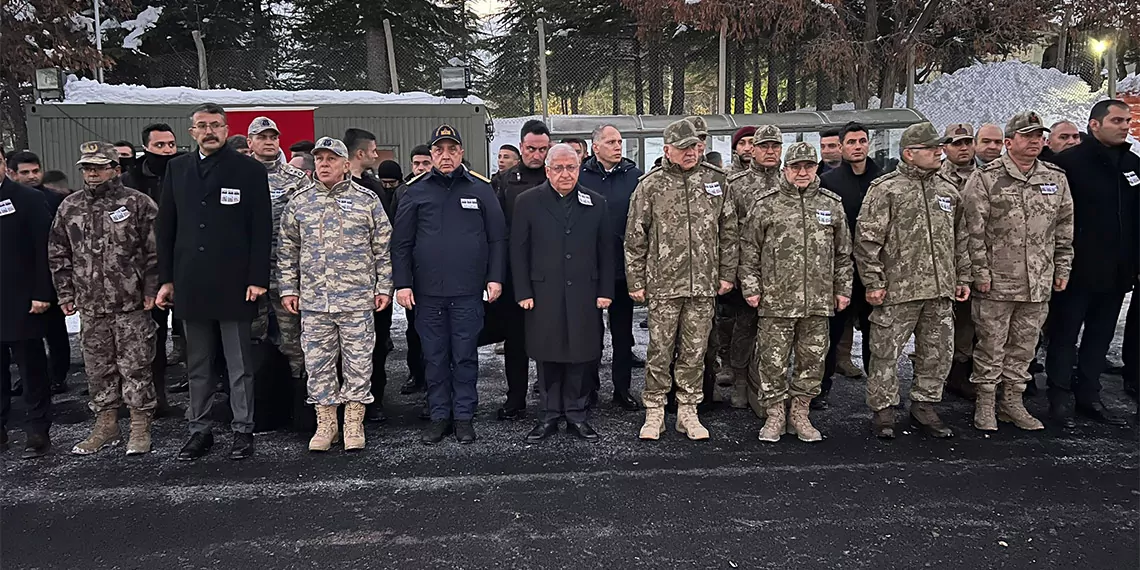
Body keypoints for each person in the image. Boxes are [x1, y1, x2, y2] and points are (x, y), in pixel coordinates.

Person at [156, 103, 272, 461]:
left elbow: (261, 228)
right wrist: (167, 280)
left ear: (226, 128)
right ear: (192, 132)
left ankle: (242, 431)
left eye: (216, 125)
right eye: (202, 126)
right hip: (191, 282)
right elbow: (166, 228)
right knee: (198, 365)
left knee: (239, 365)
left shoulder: (249, 170)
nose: (209, 131)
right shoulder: (177, 169)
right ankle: (199, 430)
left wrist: (257, 278)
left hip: (235, 283)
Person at [855, 123, 971, 439]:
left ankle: (925, 406)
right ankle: (884, 411)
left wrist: (963, 276)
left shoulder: (948, 190)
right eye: (931, 148)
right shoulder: (886, 190)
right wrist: (874, 282)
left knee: (937, 353)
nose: (938, 152)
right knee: (885, 353)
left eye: (939, 147)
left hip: (939, 290)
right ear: (909, 153)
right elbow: (867, 241)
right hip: (897, 290)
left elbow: (960, 237)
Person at [392, 125, 506, 444]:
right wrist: (403, 284)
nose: (445, 155)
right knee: (434, 355)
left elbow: (498, 238)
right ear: (431, 155)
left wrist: (495, 277)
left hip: (468, 291)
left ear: (461, 153)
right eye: (439, 150)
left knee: (466, 355)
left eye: (451, 149)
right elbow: (401, 243)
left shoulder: (481, 189)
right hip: (427, 293)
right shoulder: (415, 191)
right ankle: (440, 415)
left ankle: (465, 416)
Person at [626, 118, 737, 441]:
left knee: (694, 351)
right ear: (667, 150)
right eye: (684, 147)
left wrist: (726, 273)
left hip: (703, 284)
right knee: (660, 351)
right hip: (664, 284)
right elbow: (635, 237)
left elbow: (729, 232)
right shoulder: (650, 185)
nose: (692, 152)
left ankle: (688, 410)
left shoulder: (716, 182)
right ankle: (655, 411)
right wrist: (636, 280)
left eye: (695, 146)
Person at [962, 111, 1073, 432]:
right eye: (1027, 136)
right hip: (996, 283)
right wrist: (979, 273)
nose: (1035, 141)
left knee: (1024, 346)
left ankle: (1012, 402)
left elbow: (1064, 229)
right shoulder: (985, 179)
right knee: (990, 346)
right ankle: (985, 404)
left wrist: (1062, 267)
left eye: (1039, 136)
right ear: (1009, 143)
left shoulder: (1055, 178)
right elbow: (972, 232)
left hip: (1038, 282)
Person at [279, 137, 392, 451]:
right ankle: (326, 423)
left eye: (331, 159)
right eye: (319, 159)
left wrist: (384, 287)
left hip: (357, 300)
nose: (324, 164)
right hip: (315, 302)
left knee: (358, 363)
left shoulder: (367, 200)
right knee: (318, 364)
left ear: (346, 165)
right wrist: (289, 288)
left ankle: (353, 422)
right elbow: (287, 251)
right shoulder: (299, 202)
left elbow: (382, 249)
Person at [48, 141, 160, 455]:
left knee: (136, 365)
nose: (92, 173)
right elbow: (59, 252)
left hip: (131, 303)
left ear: (115, 168)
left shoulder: (139, 203)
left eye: (99, 166)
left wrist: (151, 289)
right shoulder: (70, 206)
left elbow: (155, 252)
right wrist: (65, 292)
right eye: (87, 167)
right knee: (98, 368)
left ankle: (140, 426)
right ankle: (106, 425)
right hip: (90, 304)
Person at [740, 142, 851, 442]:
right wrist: (751, 287)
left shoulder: (831, 204)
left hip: (817, 301)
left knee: (812, 360)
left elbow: (843, 254)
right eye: (796, 167)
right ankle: (775, 413)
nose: (802, 172)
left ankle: (800, 412)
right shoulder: (766, 204)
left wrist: (843, 290)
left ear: (817, 167)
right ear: (785, 169)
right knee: (772, 361)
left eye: (809, 166)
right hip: (776, 301)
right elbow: (748, 250)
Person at [1045, 100, 1137, 427]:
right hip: (1076, 272)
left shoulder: (1132, 164)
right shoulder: (1068, 164)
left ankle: (1089, 395)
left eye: (1127, 120)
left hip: (1116, 273)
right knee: (1064, 336)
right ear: (1095, 125)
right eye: (1116, 120)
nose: (1125, 125)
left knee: (1100, 337)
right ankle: (1058, 398)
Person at [512, 144, 613, 442]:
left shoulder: (596, 203)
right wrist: (523, 291)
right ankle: (548, 414)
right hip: (543, 293)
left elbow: (606, 251)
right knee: (547, 354)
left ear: (579, 168)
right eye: (559, 168)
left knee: (581, 355)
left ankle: (576, 413)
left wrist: (605, 290)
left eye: (571, 167)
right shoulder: (527, 202)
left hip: (585, 292)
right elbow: (518, 251)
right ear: (547, 170)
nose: (565, 174)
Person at [817, 121, 883, 409]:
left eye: (862, 141)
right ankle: (820, 388)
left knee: (876, 334)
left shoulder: (882, 179)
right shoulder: (829, 182)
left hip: (875, 271)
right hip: (840, 270)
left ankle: (880, 392)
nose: (857, 146)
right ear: (842, 147)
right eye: (852, 142)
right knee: (831, 332)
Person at [578, 124, 643, 411]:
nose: (618, 146)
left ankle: (622, 388)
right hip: (589, 268)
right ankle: (589, 388)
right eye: (611, 142)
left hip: (622, 267)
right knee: (590, 333)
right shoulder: (581, 175)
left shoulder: (634, 176)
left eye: (620, 141)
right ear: (596, 147)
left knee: (622, 333)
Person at [492, 120, 551, 421]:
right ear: (521, 146)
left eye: (542, 149)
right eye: (530, 148)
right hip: (516, 275)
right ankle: (515, 398)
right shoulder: (504, 181)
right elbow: (497, 230)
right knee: (515, 340)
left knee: (549, 340)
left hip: (549, 274)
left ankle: (551, 398)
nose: (536, 155)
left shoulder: (557, 177)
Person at [123, 122, 185, 407]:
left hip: (186, 266)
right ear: (146, 147)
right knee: (152, 338)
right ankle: (156, 395)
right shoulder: (130, 181)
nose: (167, 151)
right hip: (147, 271)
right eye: (160, 146)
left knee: (196, 336)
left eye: (171, 145)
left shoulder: (186, 171)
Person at [247, 116, 310, 391]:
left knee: (293, 338)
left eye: (273, 137)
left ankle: (299, 397)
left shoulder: (295, 179)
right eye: (262, 137)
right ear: (250, 142)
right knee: (251, 338)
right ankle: (257, 397)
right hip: (248, 273)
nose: (269, 141)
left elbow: (307, 224)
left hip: (286, 274)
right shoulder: (238, 175)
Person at [0, 146, 54, 459]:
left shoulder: (28, 199)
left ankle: (37, 428)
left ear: (4, 165)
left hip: (24, 300)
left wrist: (43, 292)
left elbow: (43, 251)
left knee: (30, 368)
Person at [725, 124, 783, 413]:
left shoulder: (791, 180)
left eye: (775, 146)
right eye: (764, 147)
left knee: (776, 333)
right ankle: (739, 380)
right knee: (745, 327)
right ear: (753, 151)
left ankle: (766, 386)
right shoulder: (736, 186)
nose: (770, 152)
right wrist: (734, 272)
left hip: (785, 275)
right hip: (749, 271)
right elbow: (729, 232)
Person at [342, 127, 397, 422]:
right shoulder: (329, 185)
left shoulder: (374, 189)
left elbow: (385, 240)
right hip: (337, 288)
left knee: (377, 344)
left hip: (371, 285)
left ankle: (374, 399)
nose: (376, 156)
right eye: (374, 151)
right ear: (360, 153)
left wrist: (385, 284)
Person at [6, 151, 71, 395]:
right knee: (23, 335)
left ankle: (58, 375)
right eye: (25, 173)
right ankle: (29, 378)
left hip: (50, 275)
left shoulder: (55, 200)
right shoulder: (11, 200)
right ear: (12, 173)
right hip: (20, 280)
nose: (33, 176)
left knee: (55, 332)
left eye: (36, 171)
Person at [938, 123, 980, 400]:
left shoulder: (987, 176)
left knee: (970, 323)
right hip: (944, 262)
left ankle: (961, 374)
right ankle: (939, 376)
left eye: (967, 142)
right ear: (945, 148)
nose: (963, 147)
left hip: (977, 259)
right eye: (956, 143)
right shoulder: (936, 177)